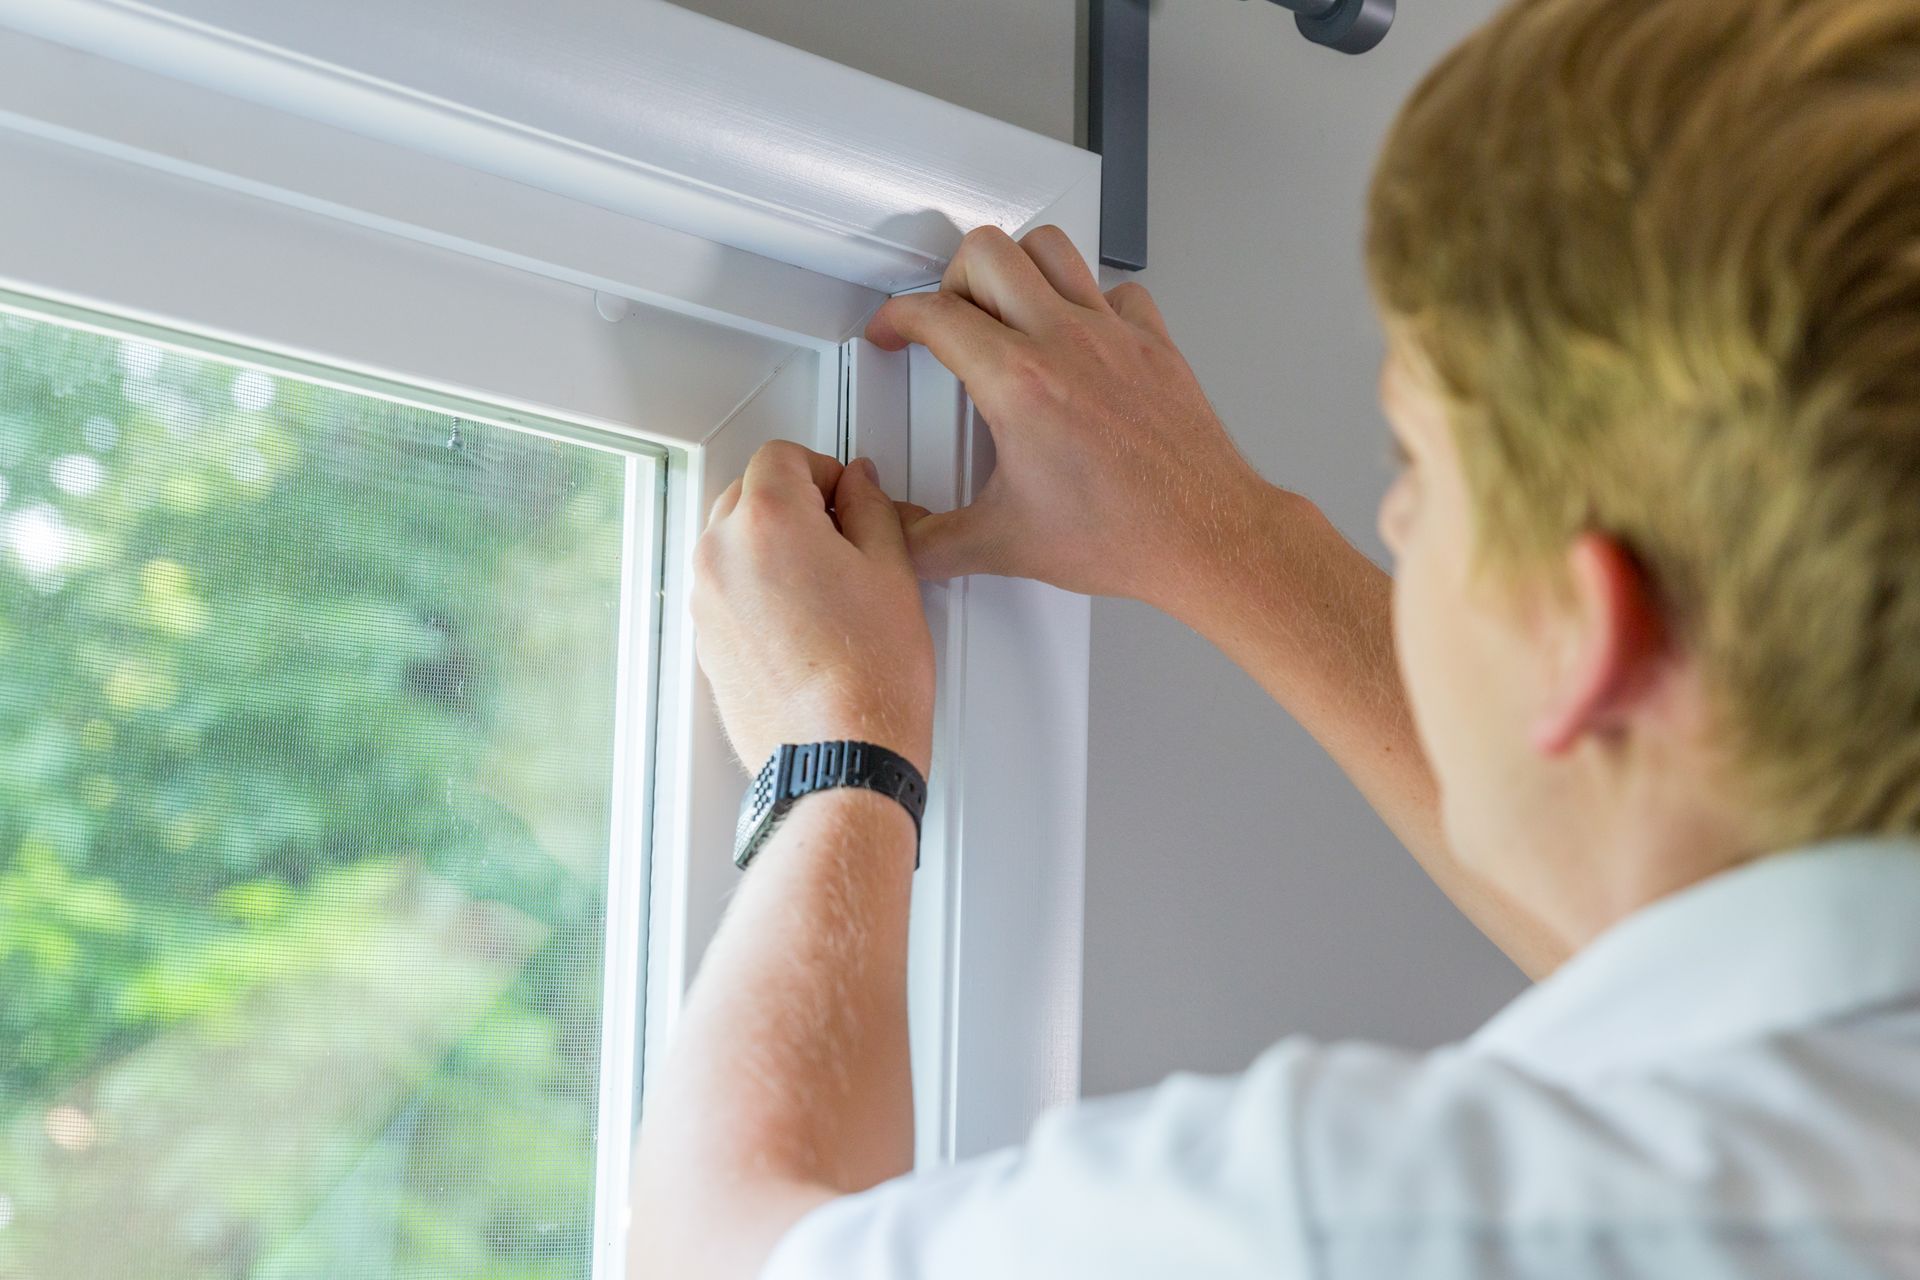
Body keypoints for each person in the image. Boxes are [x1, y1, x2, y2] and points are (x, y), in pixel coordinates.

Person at [630, 0, 1920, 1274]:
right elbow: (1717, 949)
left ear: (1581, 631)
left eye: (1417, 462)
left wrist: (835, 757)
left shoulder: (1394, 1221)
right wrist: (1228, 536)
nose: (1402, 514)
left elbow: (719, 1258)